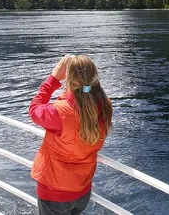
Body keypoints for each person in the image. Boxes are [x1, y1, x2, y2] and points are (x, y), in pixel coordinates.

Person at [29, 55, 113, 215]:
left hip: (55, 193)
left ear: (70, 79)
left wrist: (53, 78)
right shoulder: (105, 105)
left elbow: (34, 110)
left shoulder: (60, 112)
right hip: (82, 191)